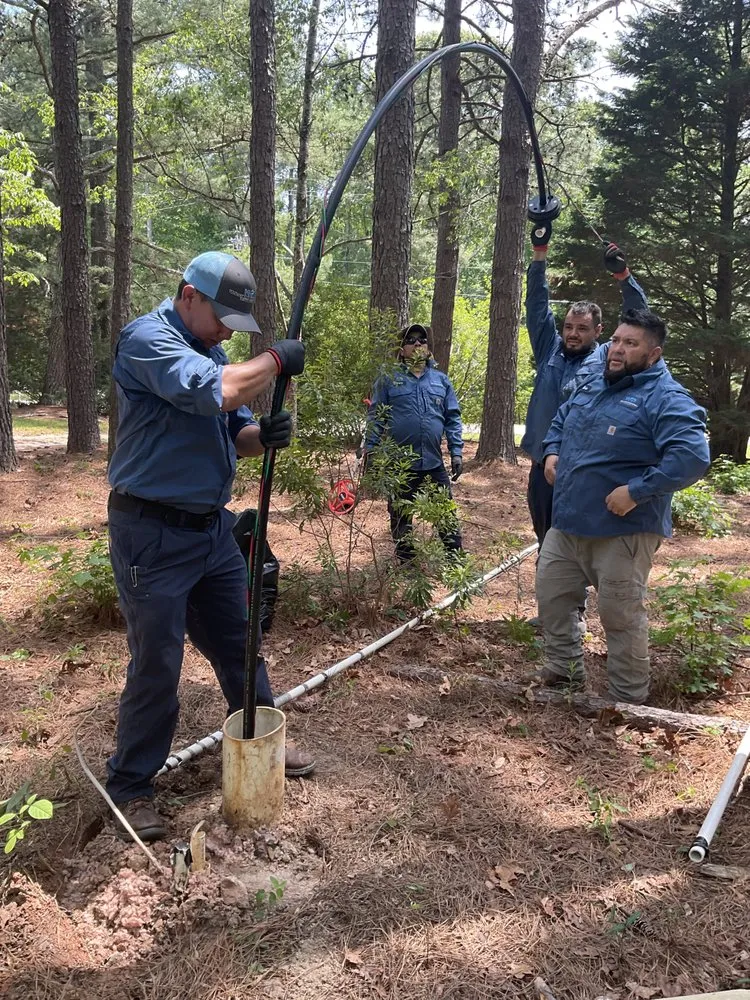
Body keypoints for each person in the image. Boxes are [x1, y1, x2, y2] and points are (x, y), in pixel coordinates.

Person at [106, 251, 313, 842]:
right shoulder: (147, 340)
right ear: (187, 295)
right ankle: (130, 786)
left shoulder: (213, 350)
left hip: (212, 531)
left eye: (234, 324)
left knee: (239, 642)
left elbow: (234, 428)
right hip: (152, 534)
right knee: (157, 663)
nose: (226, 330)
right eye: (220, 316)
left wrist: (262, 436)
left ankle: (258, 738)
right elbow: (213, 392)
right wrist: (273, 359)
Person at [533, 308, 710, 704]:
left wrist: (636, 490)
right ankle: (564, 672)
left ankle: (627, 699)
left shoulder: (666, 397)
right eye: (615, 340)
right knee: (553, 598)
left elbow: (692, 457)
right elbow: (560, 420)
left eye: (630, 344)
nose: (616, 350)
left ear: (654, 354)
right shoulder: (594, 383)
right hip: (568, 522)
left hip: (622, 530)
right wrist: (552, 452)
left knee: (620, 616)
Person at [522, 223, 649, 624]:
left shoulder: (607, 361)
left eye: (582, 329)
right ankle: (559, 612)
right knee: (548, 537)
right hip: (544, 465)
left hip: (585, 469)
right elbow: (536, 305)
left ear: (599, 331)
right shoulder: (549, 351)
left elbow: (641, 320)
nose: (573, 334)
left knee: (583, 541)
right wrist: (539, 253)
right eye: (569, 328)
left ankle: (594, 608)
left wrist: (623, 277)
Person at [365, 323, 463, 562]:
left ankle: (455, 560)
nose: (417, 343)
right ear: (402, 349)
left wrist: (456, 452)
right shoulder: (388, 380)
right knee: (400, 515)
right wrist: (371, 450)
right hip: (400, 465)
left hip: (433, 462)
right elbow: (377, 417)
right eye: (411, 340)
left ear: (429, 349)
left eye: (422, 340)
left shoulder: (441, 381)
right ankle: (406, 563)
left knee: (445, 512)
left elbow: (453, 418)